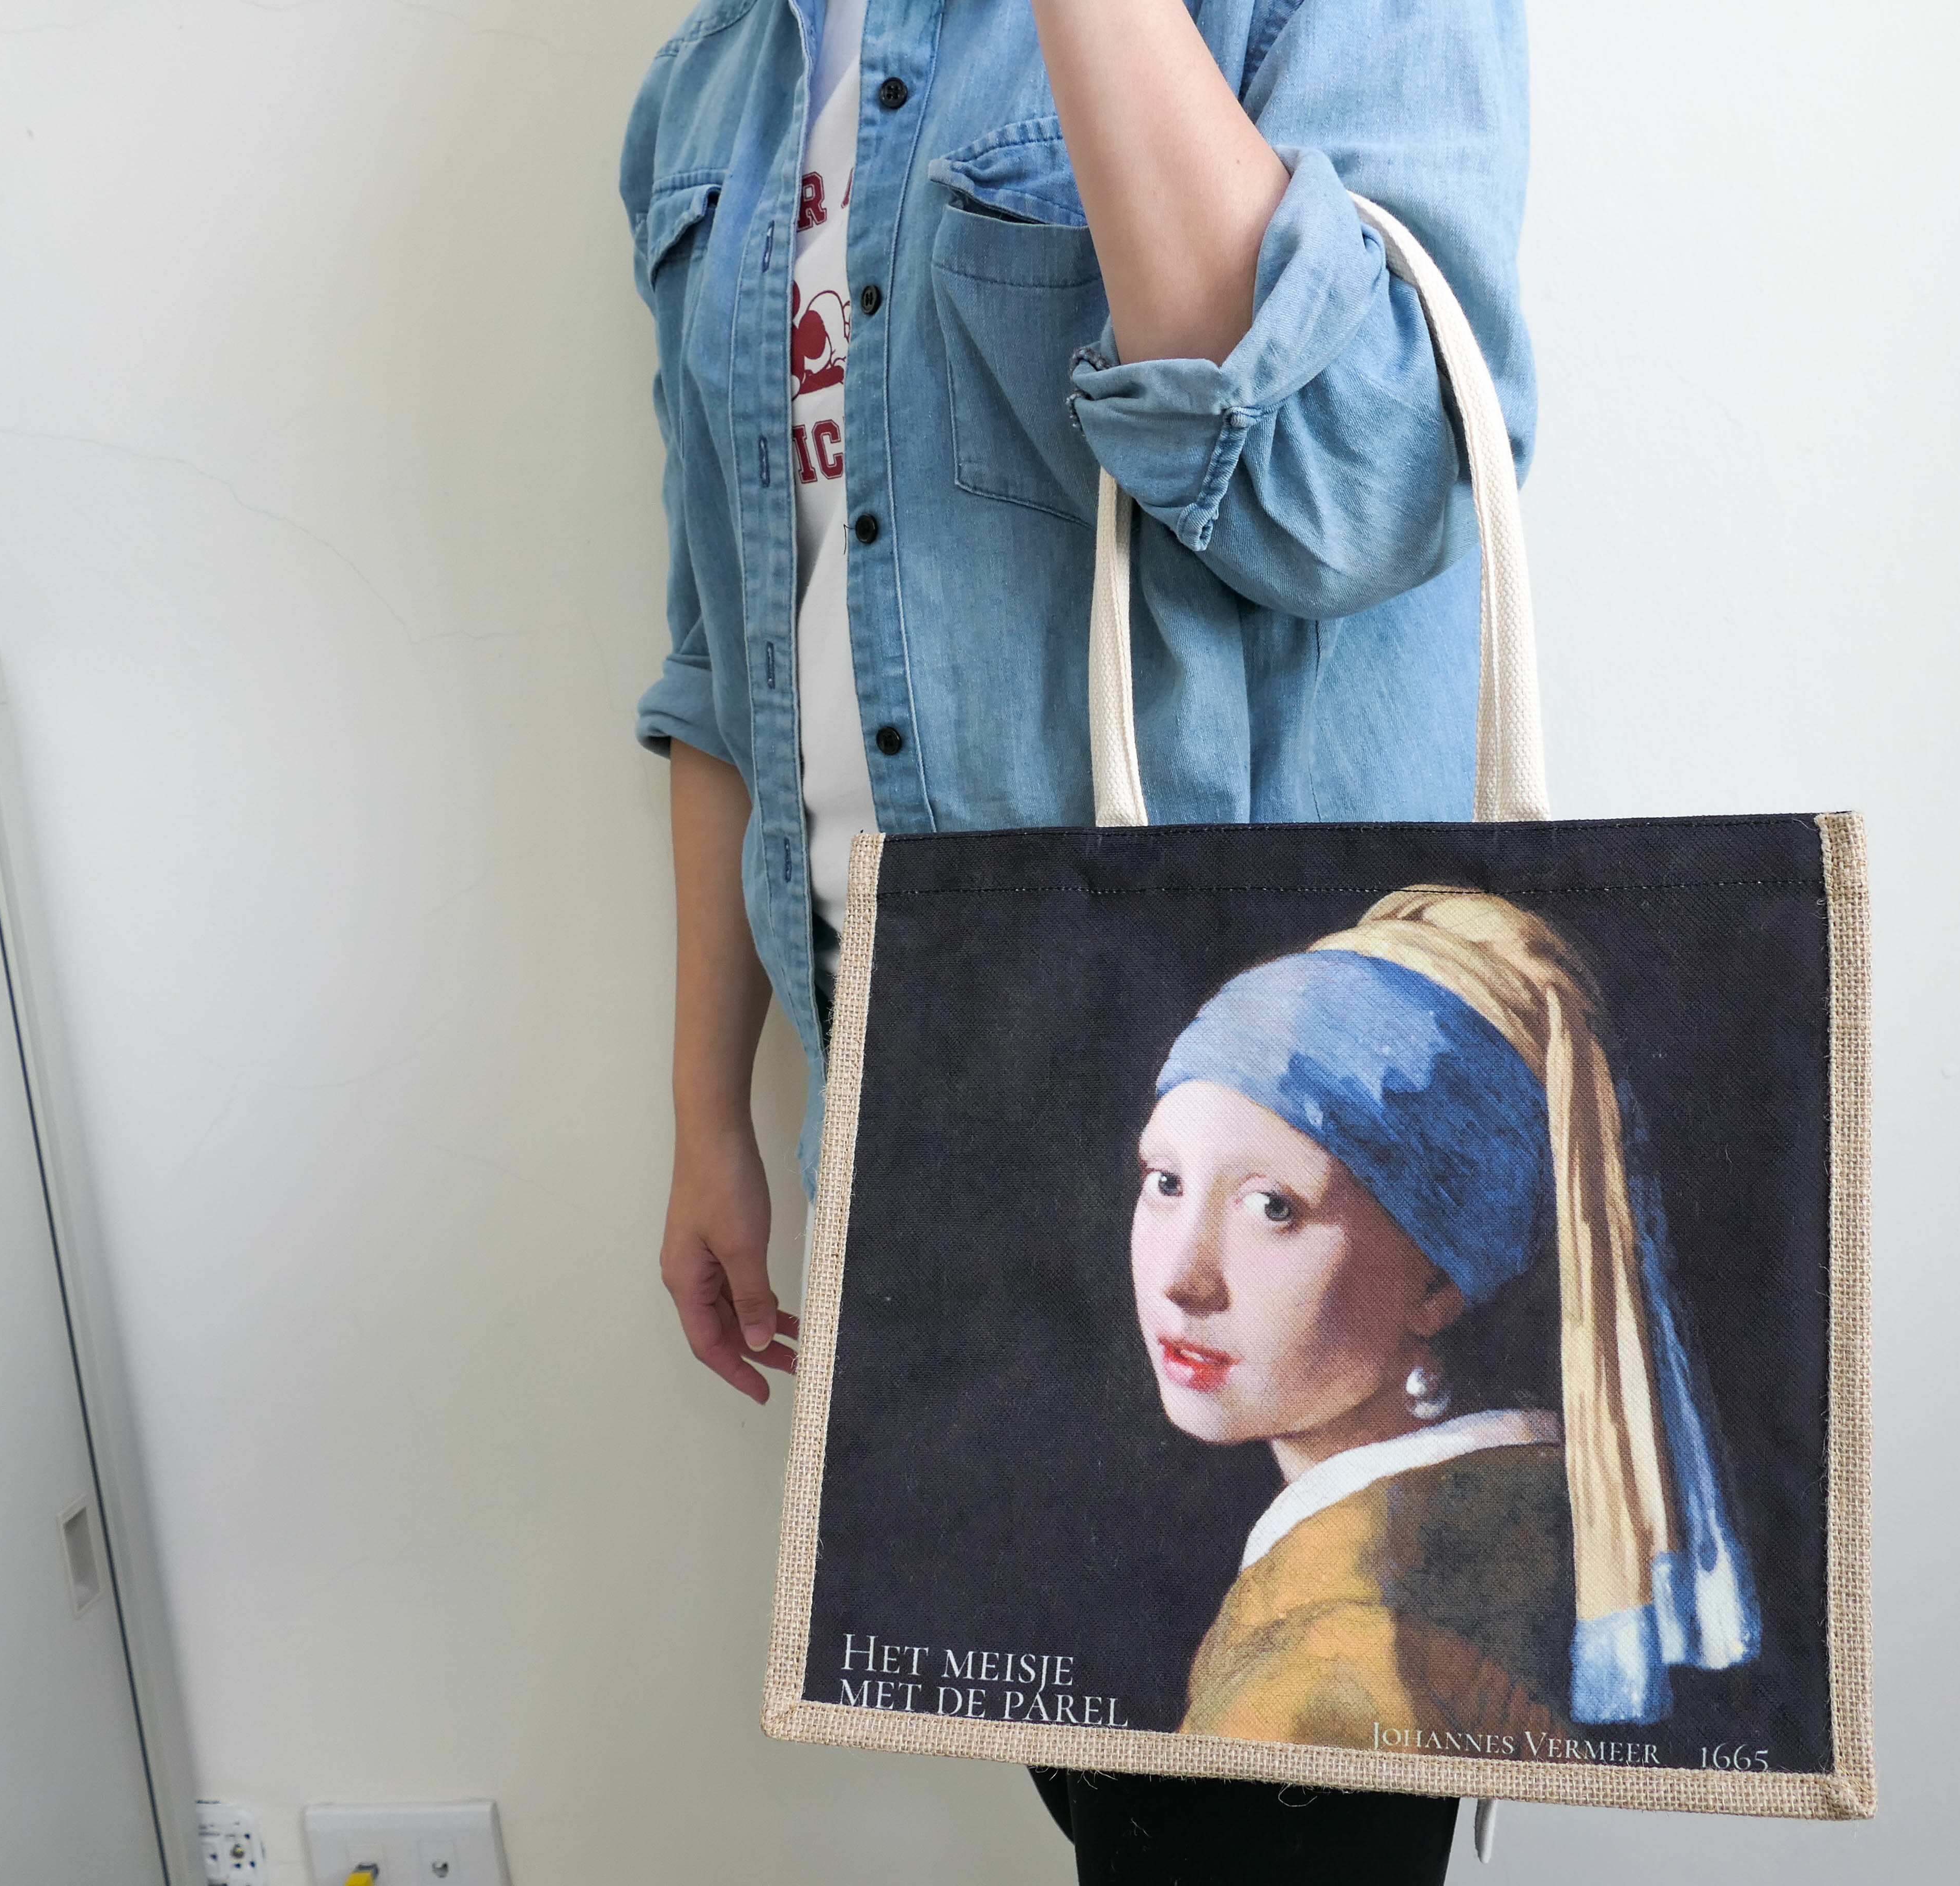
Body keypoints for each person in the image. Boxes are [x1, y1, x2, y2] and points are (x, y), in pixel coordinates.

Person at [620, 0, 1536, 1875]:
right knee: (1115, 1804)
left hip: (1251, 1146)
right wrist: (713, 1110)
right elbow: (724, 648)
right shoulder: (718, 76)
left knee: (1280, 1806)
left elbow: (1361, 496)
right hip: (917, 1118)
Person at [1132, 888, 1761, 1751]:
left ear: (1436, 1283)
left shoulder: (1335, 1665)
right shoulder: (1536, 1516)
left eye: (1273, 1207)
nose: (1183, 1279)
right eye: (1165, 1183)